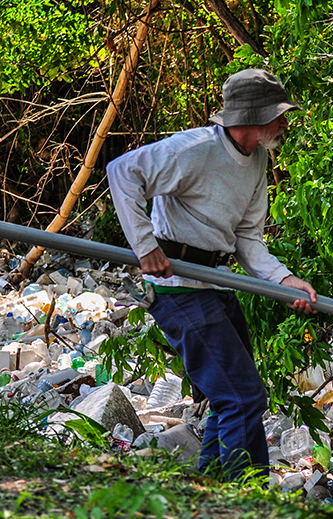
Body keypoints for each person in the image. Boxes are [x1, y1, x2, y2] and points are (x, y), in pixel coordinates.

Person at [106, 68, 317, 480]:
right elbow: (122, 172)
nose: (285, 124)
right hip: (178, 288)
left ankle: (211, 485)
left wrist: (283, 280)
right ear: (254, 117)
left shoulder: (257, 160)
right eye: (279, 115)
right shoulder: (194, 148)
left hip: (217, 283)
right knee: (242, 397)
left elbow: (248, 238)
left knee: (233, 397)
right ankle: (244, 493)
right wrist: (146, 246)